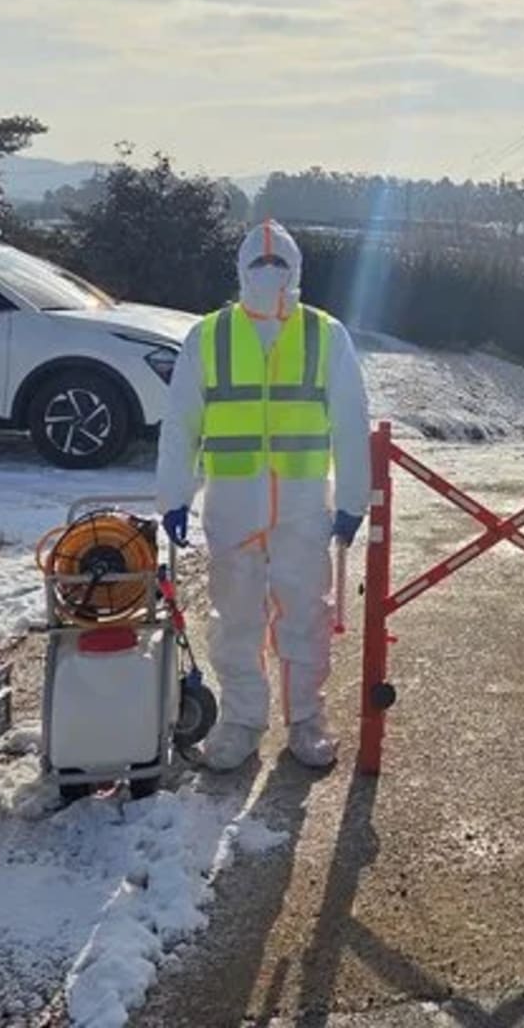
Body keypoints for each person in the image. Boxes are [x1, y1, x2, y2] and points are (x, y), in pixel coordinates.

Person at [155, 220, 371, 771]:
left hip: (302, 502)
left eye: (279, 266)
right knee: (235, 618)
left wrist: (353, 498)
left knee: (305, 615)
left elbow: (350, 420)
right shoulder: (208, 335)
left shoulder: (326, 334)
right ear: (241, 271)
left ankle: (306, 720)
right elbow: (181, 421)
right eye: (260, 265)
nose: (269, 274)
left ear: (296, 271)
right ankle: (241, 722)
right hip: (232, 501)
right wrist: (173, 495)